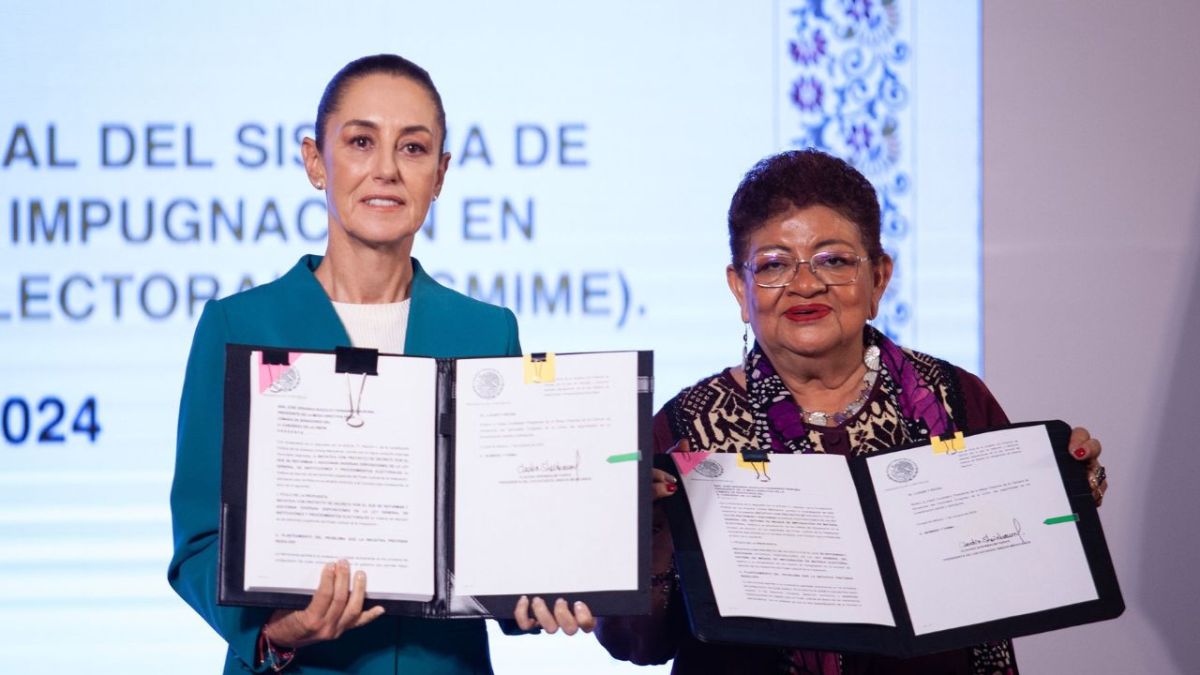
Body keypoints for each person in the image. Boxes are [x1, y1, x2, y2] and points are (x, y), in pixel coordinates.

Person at [595, 149, 1108, 674]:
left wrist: (1066, 492)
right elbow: (636, 644)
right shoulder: (687, 428)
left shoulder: (954, 398)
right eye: (773, 264)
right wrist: (650, 531)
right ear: (740, 290)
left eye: (833, 260)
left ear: (879, 277)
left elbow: (1018, 574)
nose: (805, 284)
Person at [167, 54, 592, 675]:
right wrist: (277, 631)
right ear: (317, 161)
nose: (387, 170)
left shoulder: (484, 331)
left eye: (414, 148)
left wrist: (545, 591)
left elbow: (499, 538)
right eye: (362, 141)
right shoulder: (238, 328)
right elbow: (200, 543)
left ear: (441, 173)